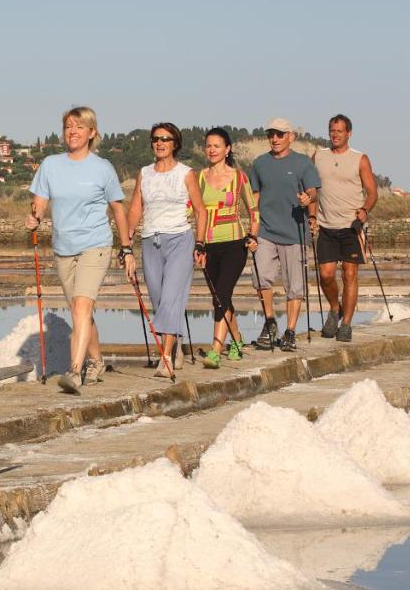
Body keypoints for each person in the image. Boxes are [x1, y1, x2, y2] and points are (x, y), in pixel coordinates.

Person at [25, 106, 135, 395]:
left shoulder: (103, 168)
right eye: (68, 127)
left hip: (95, 245)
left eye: (78, 127)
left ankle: (75, 371)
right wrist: (34, 218)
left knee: (81, 307)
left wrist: (127, 249)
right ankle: (97, 361)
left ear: (92, 133)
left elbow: (118, 211)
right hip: (63, 247)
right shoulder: (50, 165)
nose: (72, 132)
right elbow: (39, 202)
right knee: (80, 311)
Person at [125, 122, 206, 375]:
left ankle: (166, 358)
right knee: (160, 300)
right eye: (155, 138)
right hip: (151, 240)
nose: (159, 143)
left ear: (175, 144)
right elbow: (136, 208)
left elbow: (201, 211)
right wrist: (126, 246)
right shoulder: (144, 173)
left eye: (165, 139)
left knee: (171, 297)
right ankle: (176, 344)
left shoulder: (186, 173)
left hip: (180, 239)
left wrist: (201, 243)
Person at [248, 117, 320, 352]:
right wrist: (252, 230)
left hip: (294, 233)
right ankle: (270, 323)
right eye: (271, 134)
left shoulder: (303, 163)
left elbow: (313, 191)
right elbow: (255, 199)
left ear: (291, 137)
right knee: (261, 279)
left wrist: (308, 202)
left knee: (295, 286)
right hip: (266, 231)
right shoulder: (259, 163)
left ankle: (290, 331)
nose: (275, 138)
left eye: (280, 134)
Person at [196, 127, 258, 368]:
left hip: (234, 244)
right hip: (208, 245)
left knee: (221, 295)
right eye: (208, 146)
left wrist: (254, 236)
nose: (211, 150)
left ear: (227, 149)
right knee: (220, 298)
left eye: (216, 146)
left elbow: (253, 210)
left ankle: (215, 350)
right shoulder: (199, 177)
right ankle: (238, 340)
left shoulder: (238, 176)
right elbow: (191, 208)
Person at [312, 113, 378, 342]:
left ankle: (346, 324)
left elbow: (372, 193)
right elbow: (312, 191)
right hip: (326, 226)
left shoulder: (360, 159)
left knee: (350, 275)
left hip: (352, 227)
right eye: (332, 130)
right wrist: (311, 215)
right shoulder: (318, 157)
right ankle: (334, 308)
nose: (335, 135)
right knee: (325, 275)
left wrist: (364, 210)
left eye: (339, 131)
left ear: (349, 133)